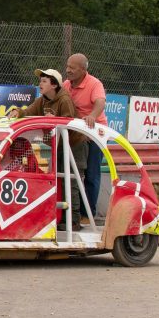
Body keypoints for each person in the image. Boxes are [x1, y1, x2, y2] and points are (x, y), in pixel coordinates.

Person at [8, 68, 86, 230]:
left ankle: (74, 221)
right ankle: (59, 218)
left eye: (44, 81)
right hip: (59, 145)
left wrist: (57, 120)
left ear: (54, 85)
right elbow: (29, 111)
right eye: (40, 80)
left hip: (74, 145)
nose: (40, 84)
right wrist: (18, 112)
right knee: (57, 179)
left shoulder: (64, 100)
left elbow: (69, 123)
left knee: (71, 181)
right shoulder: (42, 100)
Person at [64, 53, 107, 221]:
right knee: (71, 171)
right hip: (77, 134)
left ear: (83, 70)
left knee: (91, 174)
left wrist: (92, 116)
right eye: (67, 66)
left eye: (72, 68)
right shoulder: (66, 85)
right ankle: (70, 213)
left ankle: (88, 214)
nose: (68, 70)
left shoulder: (94, 84)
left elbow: (100, 102)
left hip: (95, 134)